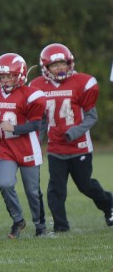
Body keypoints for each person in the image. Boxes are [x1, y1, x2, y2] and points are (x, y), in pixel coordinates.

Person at [29, 43, 113, 231]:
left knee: (85, 185)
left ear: (70, 63)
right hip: (56, 148)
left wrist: (74, 131)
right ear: (46, 67)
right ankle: (61, 226)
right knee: (55, 189)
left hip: (80, 146)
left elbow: (92, 116)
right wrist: (36, 140)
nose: (59, 68)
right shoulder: (37, 86)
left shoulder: (83, 83)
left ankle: (109, 204)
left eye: (62, 63)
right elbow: (40, 120)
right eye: (54, 65)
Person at [0, 53, 47, 238]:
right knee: (5, 184)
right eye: (1, 77)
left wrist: (14, 127)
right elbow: (2, 113)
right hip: (7, 149)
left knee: (32, 192)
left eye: (9, 76)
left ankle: (40, 225)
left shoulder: (32, 95)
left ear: (19, 75)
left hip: (28, 148)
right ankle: (18, 220)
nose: (5, 80)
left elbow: (36, 124)